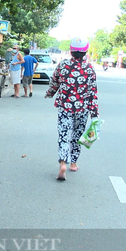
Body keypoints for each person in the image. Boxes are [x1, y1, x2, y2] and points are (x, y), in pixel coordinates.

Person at [45, 37, 99, 181]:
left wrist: (50, 93)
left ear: (71, 51)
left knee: (64, 135)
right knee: (76, 136)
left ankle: (63, 163)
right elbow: (93, 91)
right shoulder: (89, 68)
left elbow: (54, 82)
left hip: (65, 107)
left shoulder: (63, 65)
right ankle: (73, 164)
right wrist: (94, 113)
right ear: (85, 52)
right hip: (82, 109)